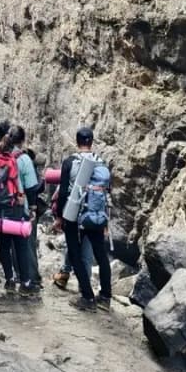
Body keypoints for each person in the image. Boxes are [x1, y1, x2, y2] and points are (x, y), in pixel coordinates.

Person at [55, 126, 112, 313]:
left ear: (77, 141)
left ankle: (87, 297)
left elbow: (63, 192)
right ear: (92, 142)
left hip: (74, 214)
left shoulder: (70, 162)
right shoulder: (101, 162)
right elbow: (107, 191)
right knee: (101, 255)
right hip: (96, 214)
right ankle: (105, 297)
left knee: (74, 253)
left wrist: (60, 216)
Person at [0, 128, 38, 298]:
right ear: (22, 141)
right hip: (17, 208)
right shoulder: (24, 159)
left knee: (3, 245)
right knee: (21, 246)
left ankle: (10, 280)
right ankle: (25, 283)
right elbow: (31, 187)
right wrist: (32, 208)